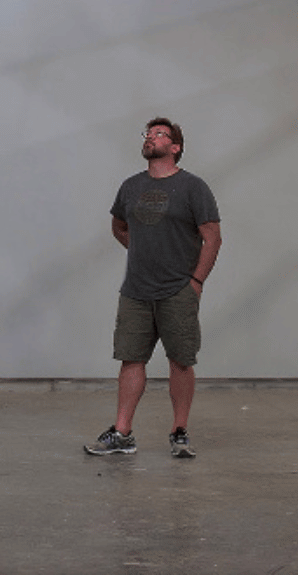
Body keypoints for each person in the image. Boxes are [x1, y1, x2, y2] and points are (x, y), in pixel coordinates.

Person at [84, 117, 221, 460]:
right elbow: (119, 226)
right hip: (135, 290)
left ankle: (179, 432)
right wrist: (143, 251)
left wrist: (196, 281)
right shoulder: (131, 186)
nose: (150, 138)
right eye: (148, 133)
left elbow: (213, 237)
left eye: (160, 134)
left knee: (181, 361)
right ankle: (122, 433)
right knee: (131, 359)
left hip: (178, 289)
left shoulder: (193, 187)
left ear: (175, 147)